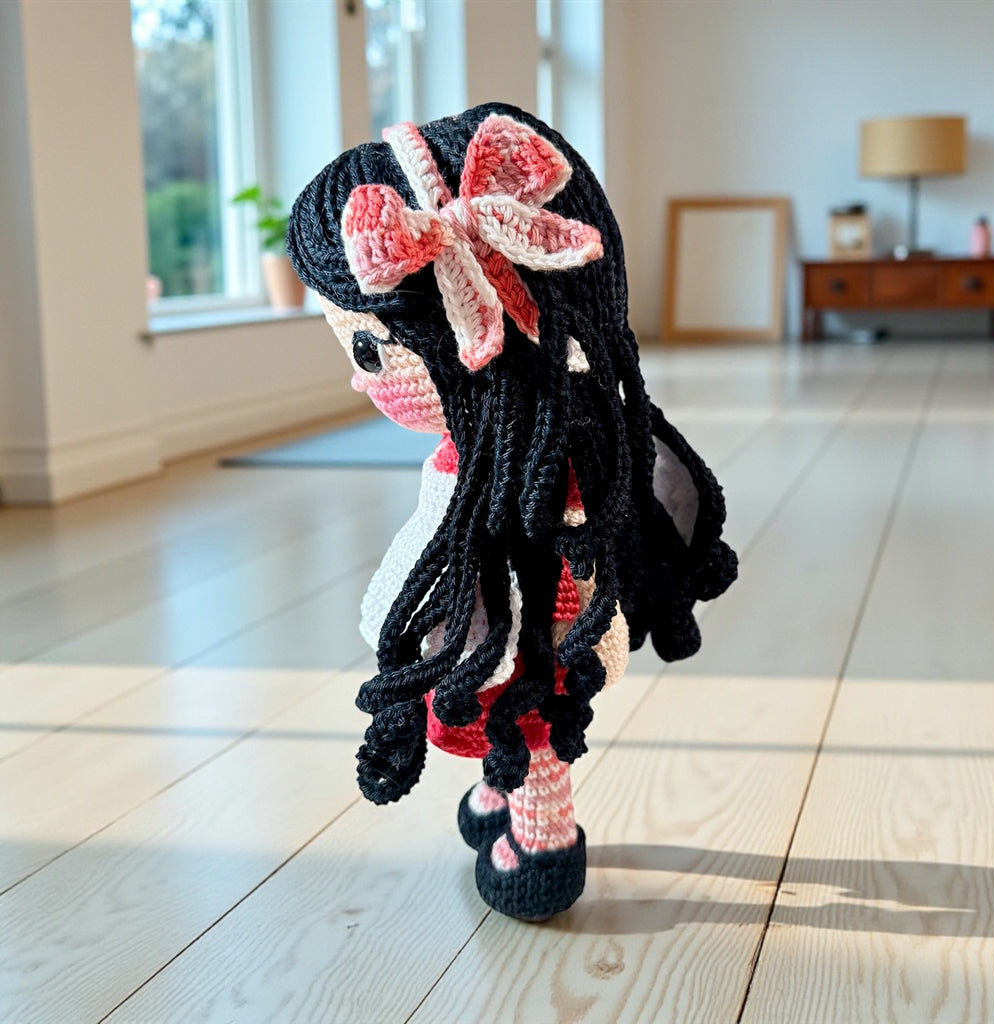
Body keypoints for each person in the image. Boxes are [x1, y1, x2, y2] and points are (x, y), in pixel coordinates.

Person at [287, 102, 737, 920]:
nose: (360, 377)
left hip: (537, 617)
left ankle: (542, 838)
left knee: (531, 718)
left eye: (369, 349)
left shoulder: (546, 469)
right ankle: (502, 791)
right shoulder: (504, 447)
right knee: (498, 711)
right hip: (498, 612)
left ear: (481, 324)